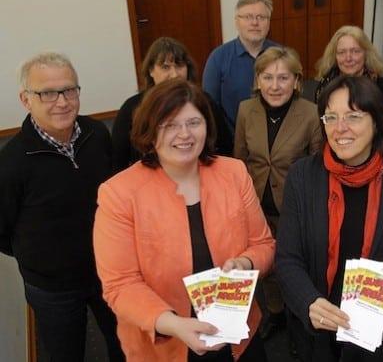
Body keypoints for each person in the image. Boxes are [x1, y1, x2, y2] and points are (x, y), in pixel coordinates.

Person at [93, 79, 275, 361]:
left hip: (237, 333)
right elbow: (120, 285)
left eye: (193, 122)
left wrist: (246, 263)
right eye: (170, 125)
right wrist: (174, 324)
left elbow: (263, 244)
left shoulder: (233, 173)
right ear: (150, 132)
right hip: (165, 343)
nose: (185, 134)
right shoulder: (118, 194)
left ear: (207, 125)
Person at [276, 75, 383, 362]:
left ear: (377, 121)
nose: (340, 128)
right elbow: (287, 258)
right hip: (315, 335)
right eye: (331, 117)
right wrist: (308, 302)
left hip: (377, 337)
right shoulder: (303, 176)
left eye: (353, 116)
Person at [0, 52, 124, 361]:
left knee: (125, 344)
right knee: (65, 354)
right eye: (48, 93)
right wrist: (41, 259)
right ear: (26, 100)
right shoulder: (11, 163)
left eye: (70, 90)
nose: (62, 101)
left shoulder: (97, 134)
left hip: (108, 271)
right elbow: (2, 232)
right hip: (52, 288)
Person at [234, 46, 322, 339]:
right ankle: (276, 311)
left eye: (283, 78)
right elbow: (240, 160)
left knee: (297, 265)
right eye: (268, 77)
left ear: (297, 81)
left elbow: (319, 168)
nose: (275, 86)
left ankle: (299, 318)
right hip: (256, 206)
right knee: (268, 266)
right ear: (257, 79)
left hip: (296, 208)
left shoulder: (310, 114)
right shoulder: (246, 110)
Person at [112, 37, 200, 171]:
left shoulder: (203, 102)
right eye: (165, 67)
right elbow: (118, 161)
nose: (174, 74)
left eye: (179, 65)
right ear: (151, 71)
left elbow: (220, 149)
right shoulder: (132, 108)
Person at [202, 0, 279, 138]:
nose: (255, 23)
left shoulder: (283, 56)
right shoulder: (218, 58)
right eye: (248, 17)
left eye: (261, 17)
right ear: (237, 21)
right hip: (231, 139)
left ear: (269, 22)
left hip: (278, 141)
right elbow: (209, 107)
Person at [314, 25, 383, 135]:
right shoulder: (325, 86)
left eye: (355, 51)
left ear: (366, 54)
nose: (348, 58)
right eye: (341, 52)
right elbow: (319, 128)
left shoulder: (382, 88)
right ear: (335, 56)